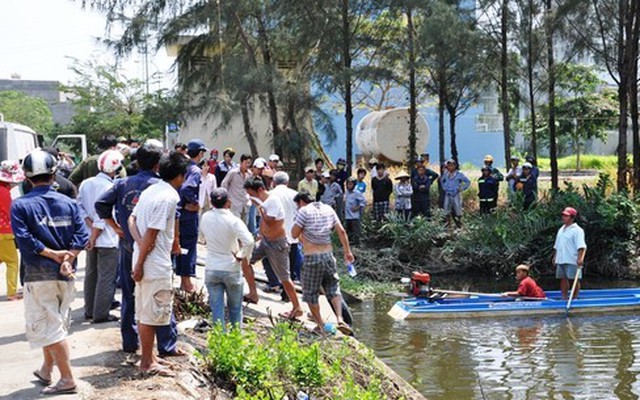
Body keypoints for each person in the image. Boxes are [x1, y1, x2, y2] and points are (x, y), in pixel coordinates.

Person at [11, 149, 89, 395]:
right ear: (54, 174)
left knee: (50, 327)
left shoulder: (20, 205)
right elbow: (82, 236)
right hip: (66, 275)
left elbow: (25, 241)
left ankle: (67, 379)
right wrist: (68, 257)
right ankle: (46, 369)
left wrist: (53, 255)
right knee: (54, 323)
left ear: (27, 177)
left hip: (38, 274)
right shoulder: (69, 203)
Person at [95, 141, 182, 356]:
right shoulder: (161, 186)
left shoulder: (123, 184)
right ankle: (166, 345)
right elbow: (174, 219)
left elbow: (101, 205)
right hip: (154, 249)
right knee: (160, 295)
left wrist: (115, 227)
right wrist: (175, 243)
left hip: (128, 245)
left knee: (130, 294)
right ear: (158, 164)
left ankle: (130, 342)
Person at [129, 151, 189, 377]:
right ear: (180, 176)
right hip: (153, 265)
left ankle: (150, 356)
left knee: (146, 311)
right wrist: (142, 259)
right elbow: (153, 233)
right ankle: (146, 362)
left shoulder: (150, 190)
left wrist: (138, 244)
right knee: (152, 314)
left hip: (143, 259)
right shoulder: (169, 197)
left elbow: (131, 219)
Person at [292, 191, 354, 336]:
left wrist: (302, 231)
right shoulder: (329, 209)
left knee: (311, 293)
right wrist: (347, 252)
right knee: (333, 287)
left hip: (312, 257)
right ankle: (339, 319)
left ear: (301, 202)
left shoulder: (303, 211)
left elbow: (294, 233)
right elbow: (342, 231)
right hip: (328, 255)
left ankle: (320, 325)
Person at [244, 177, 303, 318]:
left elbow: (270, 221)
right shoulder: (265, 202)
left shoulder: (273, 200)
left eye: (251, 194)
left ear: (259, 190)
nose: (250, 197)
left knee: (284, 278)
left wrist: (259, 205)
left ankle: (297, 307)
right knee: (245, 260)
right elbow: (264, 224)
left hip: (277, 244)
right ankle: (253, 293)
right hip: (265, 241)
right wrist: (259, 234)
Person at [77, 150, 124, 323]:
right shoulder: (110, 187)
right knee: (106, 277)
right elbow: (103, 215)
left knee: (91, 275)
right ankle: (101, 314)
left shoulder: (86, 183)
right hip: (106, 238)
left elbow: (80, 207)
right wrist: (95, 234)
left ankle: (89, 310)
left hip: (91, 236)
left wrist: (90, 228)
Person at [201, 188, 254, 329]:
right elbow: (249, 241)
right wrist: (240, 255)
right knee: (235, 310)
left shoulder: (205, 217)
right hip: (231, 268)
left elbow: (202, 238)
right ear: (228, 202)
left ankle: (219, 340)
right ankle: (235, 341)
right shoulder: (233, 220)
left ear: (211, 202)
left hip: (212, 267)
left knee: (216, 310)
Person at [177, 139, 207, 292]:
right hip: (188, 214)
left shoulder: (182, 166)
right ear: (200, 153)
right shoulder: (195, 170)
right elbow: (187, 189)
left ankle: (183, 280)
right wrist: (194, 202)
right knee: (189, 246)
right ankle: (187, 281)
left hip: (178, 213)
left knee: (180, 246)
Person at [0, 160, 25, 300]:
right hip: (4, 232)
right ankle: (11, 293)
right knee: (12, 262)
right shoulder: (4, 193)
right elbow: (10, 212)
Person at [552, 207, 587, 300]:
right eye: (563, 215)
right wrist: (555, 256)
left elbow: (581, 246)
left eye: (566, 216)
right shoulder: (561, 229)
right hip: (561, 258)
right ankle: (564, 297)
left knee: (573, 279)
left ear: (572, 217)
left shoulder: (577, 230)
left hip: (571, 259)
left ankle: (574, 298)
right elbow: (557, 245)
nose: (563, 217)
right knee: (563, 279)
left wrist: (580, 259)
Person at [221, 153, 252, 224]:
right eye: (246, 163)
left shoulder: (249, 174)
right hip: (234, 203)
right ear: (241, 162)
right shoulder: (233, 172)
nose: (247, 165)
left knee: (244, 226)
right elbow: (224, 184)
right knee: (235, 225)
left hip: (245, 203)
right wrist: (227, 198)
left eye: (249, 163)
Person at [440, 159, 470, 228]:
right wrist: (444, 188)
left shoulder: (459, 174)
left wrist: (461, 188)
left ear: (455, 166)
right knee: (446, 210)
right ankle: (448, 226)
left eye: (451, 165)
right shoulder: (446, 174)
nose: (450, 167)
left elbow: (467, 182)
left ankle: (459, 225)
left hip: (456, 193)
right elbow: (442, 181)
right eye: (449, 165)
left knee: (458, 209)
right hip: (448, 194)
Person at [344, 177, 367, 245]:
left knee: (356, 230)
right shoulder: (347, 192)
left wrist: (357, 207)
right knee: (348, 230)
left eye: (351, 184)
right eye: (348, 184)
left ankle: (357, 244)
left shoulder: (357, 193)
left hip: (354, 215)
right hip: (347, 215)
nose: (349, 186)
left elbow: (364, 201)